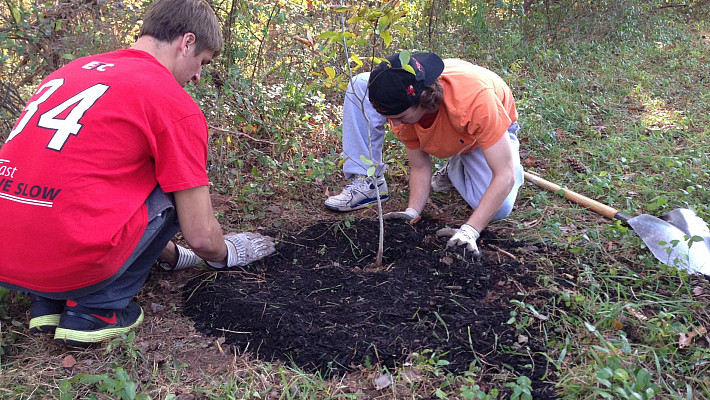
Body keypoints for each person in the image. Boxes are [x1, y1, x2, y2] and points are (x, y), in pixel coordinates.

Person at [0, 0, 275, 346]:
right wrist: (229, 253)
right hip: (73, 258)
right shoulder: (171, 101)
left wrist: (174, 256)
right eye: (202, 62)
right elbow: (202, 235)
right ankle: (97, 309)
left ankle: (48, 302)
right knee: (177, 183)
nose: (197, 76)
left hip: (8, 251)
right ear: (186, 42)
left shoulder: (69, 72)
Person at [325, 52, 523, 257]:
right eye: (392, 119)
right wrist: (412, 212)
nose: (397, 124)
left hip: (485, 131)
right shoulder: (403, 107)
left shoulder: (476, 101)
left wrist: (469, 231)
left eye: (400, 117)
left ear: (424, 98)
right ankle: (368, 181)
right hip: (450, 127)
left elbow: (504, 174)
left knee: (501, 208)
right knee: (359, 83)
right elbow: (419, 165)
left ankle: (457, 166)